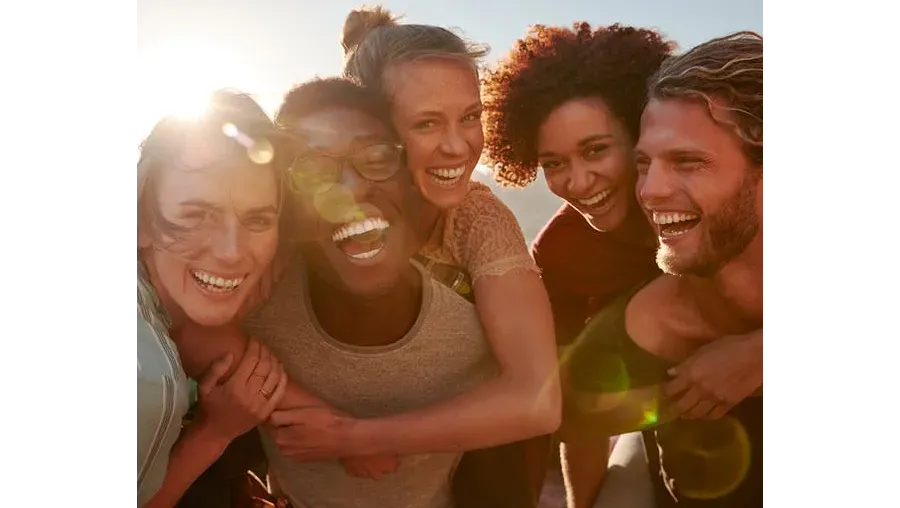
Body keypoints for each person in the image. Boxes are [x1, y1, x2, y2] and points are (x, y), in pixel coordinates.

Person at [481, 24, 765, 507]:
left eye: (596, 149)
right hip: (667, 407)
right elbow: (572, 411)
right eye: (553, 163)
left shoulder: (723, 204)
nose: (578, 182)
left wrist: (759, 354)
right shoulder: (564, 254)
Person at [239, 76, 519, 508]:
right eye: (313, 171)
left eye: (376, 157)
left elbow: (531, 421)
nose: (351, 189)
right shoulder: (256, 306)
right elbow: (193, 335)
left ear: (411, 179)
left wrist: (352, 437)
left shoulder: (474, 335)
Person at [341, 6, 561, 503]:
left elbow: (538, 399)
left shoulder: (479, 219)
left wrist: (360, 437)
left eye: (470, 117)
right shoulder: (318, 208)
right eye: (426, 124)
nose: (459, 146)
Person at [568, 31, 766, 507]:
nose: (650, 191)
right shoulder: (636, 330)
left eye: (687, 161)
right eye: (643, 163)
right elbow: (577, 420)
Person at [136, 90, 290, 507]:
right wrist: (213, 434)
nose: (231, 251)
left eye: (258, 219)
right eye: (195, 215)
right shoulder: (150, 380)